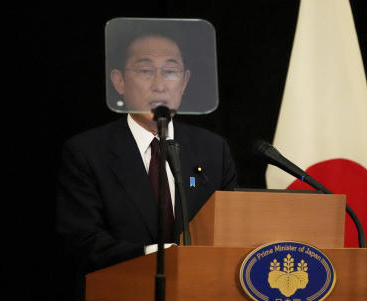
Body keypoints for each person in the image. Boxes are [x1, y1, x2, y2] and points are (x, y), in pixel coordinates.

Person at [56, 31, 237, 287]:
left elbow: (231, 230)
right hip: (121, 293)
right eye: (145, 71)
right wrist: (157, 255)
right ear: (119, 81)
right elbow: (81, 240)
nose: (160, 84)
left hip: (199, 293)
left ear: (184, 82)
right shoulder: (87, 151)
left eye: (170, 71)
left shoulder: (212, 149)